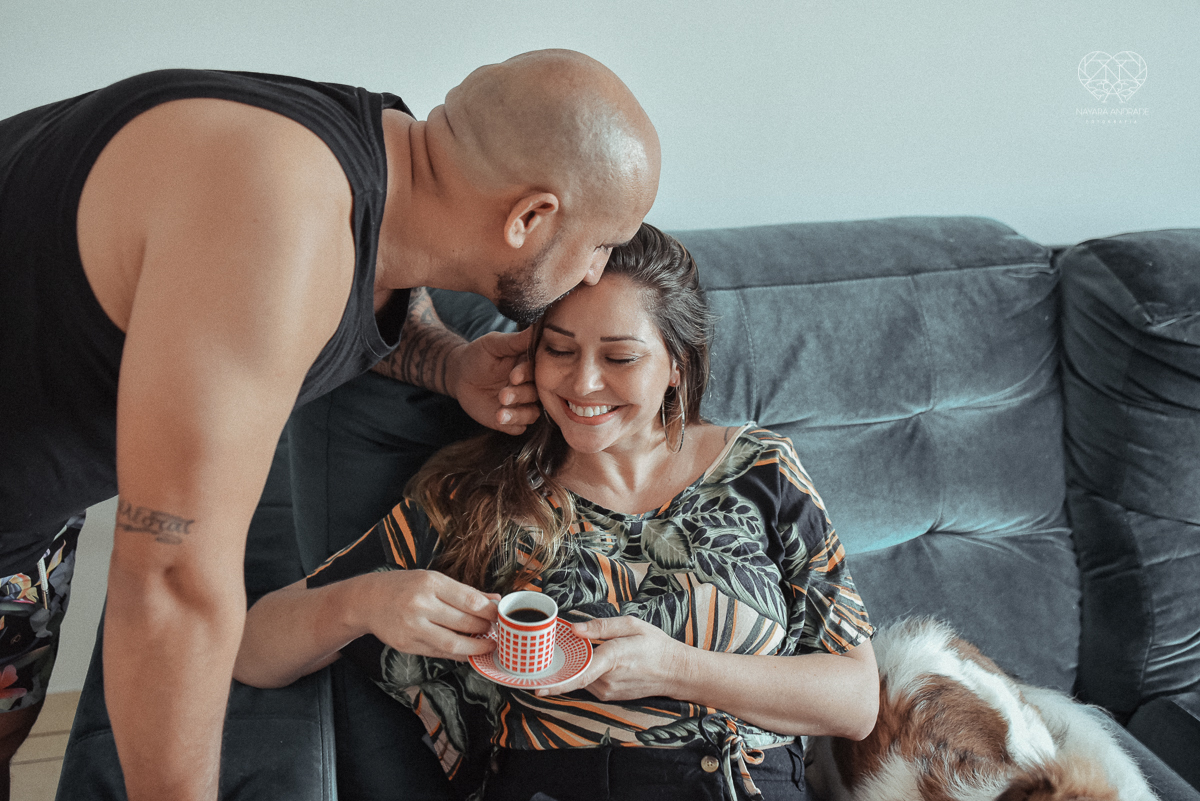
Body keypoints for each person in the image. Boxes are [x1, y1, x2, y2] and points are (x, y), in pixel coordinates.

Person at [0, 50, 660, 800]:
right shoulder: (274, 225)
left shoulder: (382, 160)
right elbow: (172, 580)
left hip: (30, 502)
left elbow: (353, 296)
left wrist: (451, 365)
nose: (597, 274)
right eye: (604, 243)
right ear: (530, 216)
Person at [235, 224, 879, 801]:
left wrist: (676, 666)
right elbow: (252, 649)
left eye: (620, 357)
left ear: (677, 364)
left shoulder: (760, 468)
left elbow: (856, 702)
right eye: (560, 350)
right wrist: (365, 602)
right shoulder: (481, 493)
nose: (582, 384)